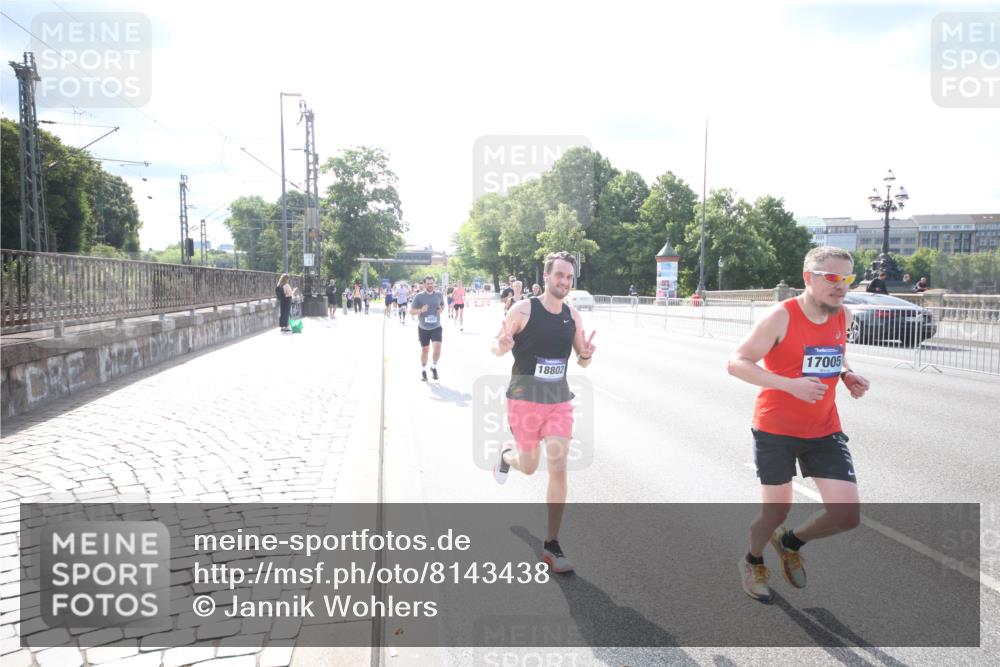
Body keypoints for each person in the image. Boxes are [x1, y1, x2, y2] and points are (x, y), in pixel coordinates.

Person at [727, 246, 870, 604]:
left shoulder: (843, 316)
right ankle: (753, 560)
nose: (841, 287)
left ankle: (790, 543)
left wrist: (847, 373)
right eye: (832, 278)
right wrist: (788, 384)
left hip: (824, 429)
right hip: (775, 429)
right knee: (776, 511)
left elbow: (832, 355)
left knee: (847, 515)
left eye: (847, 279)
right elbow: (736, 362)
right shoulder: (781, 316)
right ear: (809, 278)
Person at [490, 251, 597, 574]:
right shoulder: (523, 310)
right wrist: (502, 345)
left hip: (559, 402)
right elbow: (496, 345)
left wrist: (588, 355)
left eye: (569, 277)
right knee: (528, 466)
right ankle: (506, 456)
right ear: (547, 276)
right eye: (559, 275)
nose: (564, 281)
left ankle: (551, 544)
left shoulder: (573, 317)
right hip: (523, 401)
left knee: (558, 467)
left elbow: (582, 358)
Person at [410, 276, 445, 381]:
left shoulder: (439, 295)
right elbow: (411, 311)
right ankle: (423, 370)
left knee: (437, 348)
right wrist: (421, 310)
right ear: (424, 285)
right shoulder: (419, 297)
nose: (430, 285)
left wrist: (441, 309)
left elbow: (442, 305)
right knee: (425, 350)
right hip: (423, 328)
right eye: (428, 283)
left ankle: (433, 367)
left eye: (432, 283)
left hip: (436, 327)